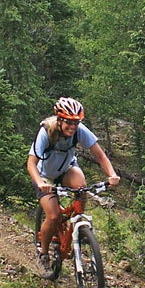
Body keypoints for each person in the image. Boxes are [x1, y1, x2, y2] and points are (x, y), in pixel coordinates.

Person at [27, 96, 119, 275]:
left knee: (82, 187)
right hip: (44, 176)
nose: (72, 127)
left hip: (66, 169)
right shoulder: (46, 132)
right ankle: (43, 255)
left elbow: (100, 155)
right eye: (68, 122)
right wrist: (40, 183)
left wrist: (112, 175)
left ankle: (77, 225)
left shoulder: (79, 131)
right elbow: (31, 163)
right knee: (53, 217)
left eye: (76, 123)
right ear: (59, 120)